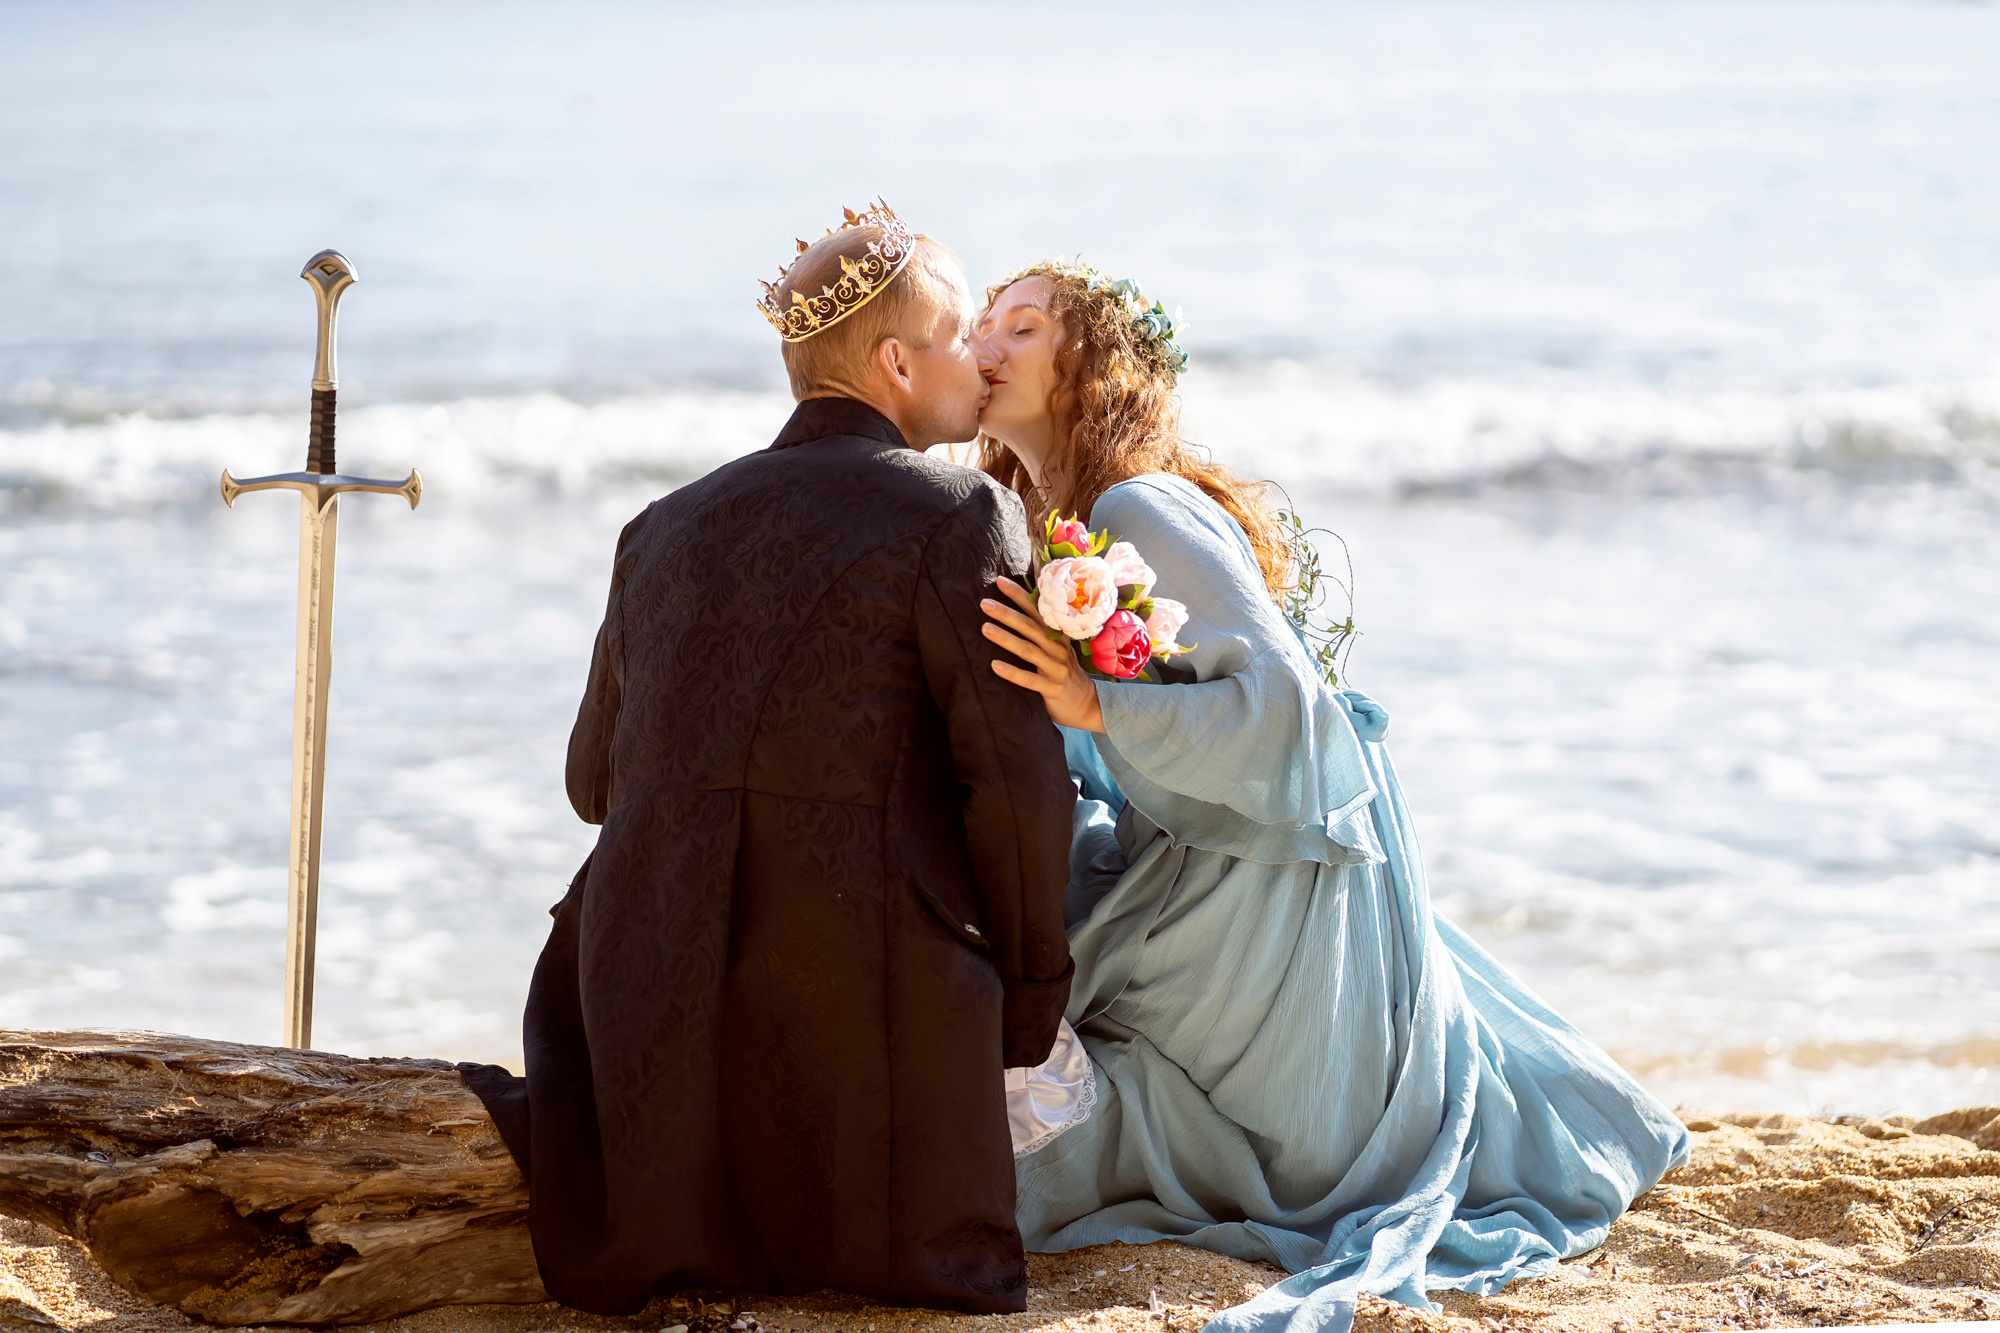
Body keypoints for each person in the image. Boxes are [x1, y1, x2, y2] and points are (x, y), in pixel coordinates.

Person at [971, 261, 1690, 1333]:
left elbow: (1288, 716)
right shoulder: (1042, 527)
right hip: (1226, 853)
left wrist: (1095, 705)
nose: (985, 344)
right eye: (980, 324)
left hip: (1276, 889)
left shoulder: (1138, 506)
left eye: (1019, 328)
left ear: (1090, 371)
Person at [462, 205, 1076, 1317]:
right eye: (958, 341)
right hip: (859, 1048)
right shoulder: (963, 511)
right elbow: (1017, 783)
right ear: (895, 364)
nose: (981, 364)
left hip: (645, 1026)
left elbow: (590, 783)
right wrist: (1030, 999)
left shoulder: (659, 524)